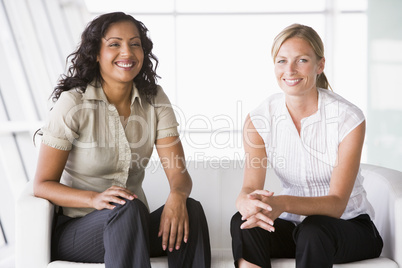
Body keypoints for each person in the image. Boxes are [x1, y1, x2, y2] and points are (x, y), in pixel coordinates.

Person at [33, 12, 211, 268]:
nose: (127, 52)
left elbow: (179, 175)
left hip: (131, 224)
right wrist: (93, 199)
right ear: (96, 53)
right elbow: (42, 185)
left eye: (134, 43)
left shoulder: (155, 99)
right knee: (129, 208)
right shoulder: (74, 102)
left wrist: (177, 195)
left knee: (190, 210)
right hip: (79, 230)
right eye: (114, 44)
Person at [230, 23, 383, 268]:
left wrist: (282, 203)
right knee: (244, 221)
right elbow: (249, 187)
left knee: (314, 229)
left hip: (350, 228)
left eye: (301, 60)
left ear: (320, 65)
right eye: (281, 61)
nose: (289, 70)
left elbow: (336, 203)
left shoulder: (348, 118)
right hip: (296, 228)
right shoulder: (259, 119)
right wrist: (245, 203)